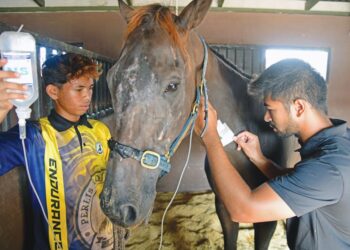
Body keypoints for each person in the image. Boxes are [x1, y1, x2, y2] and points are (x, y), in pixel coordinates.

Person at [195, 58, 350, 250]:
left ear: (299, 107)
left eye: (270, 109)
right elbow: (299, 182)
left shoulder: (328, 168)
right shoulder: (339, 141)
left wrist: (210, 137)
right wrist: (259, 159)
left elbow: (243, 210)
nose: (266, 117)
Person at [0, 54, 121, 249]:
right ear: (53, 91)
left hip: (104, 240)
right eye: (78, 89)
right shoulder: (34, 136)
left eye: (90, 88)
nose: (87, 96)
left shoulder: (100, 130)